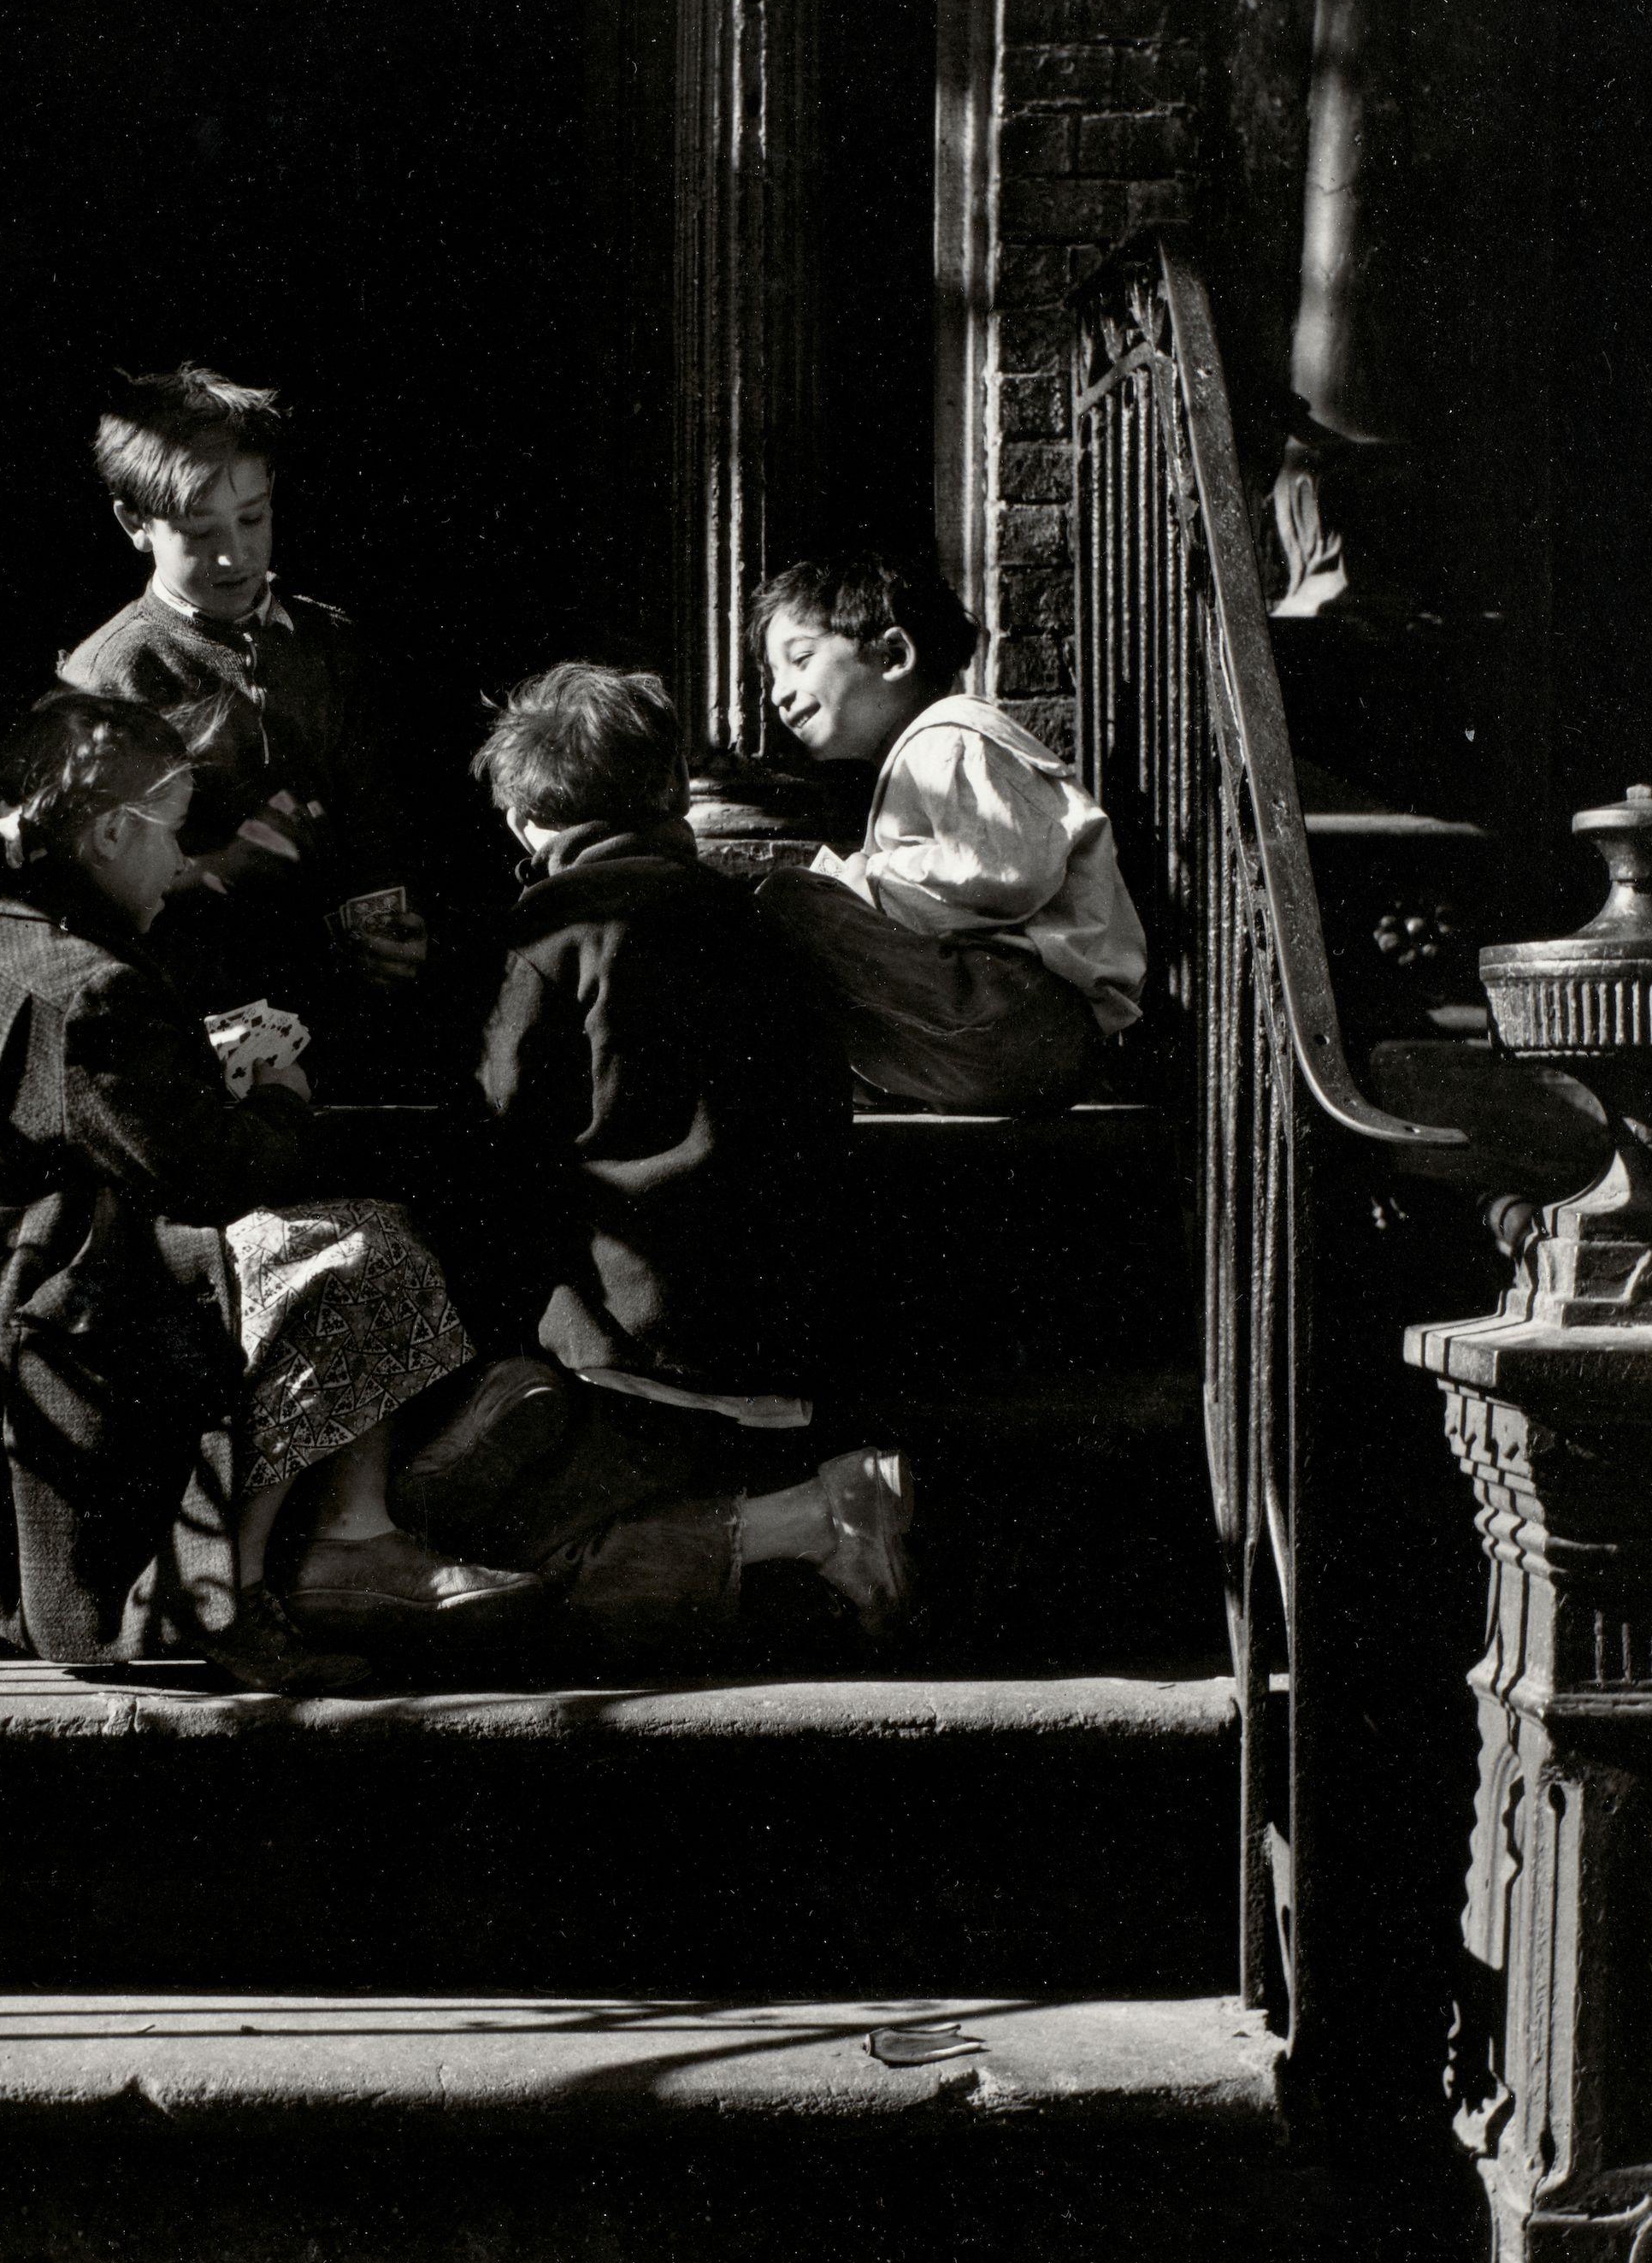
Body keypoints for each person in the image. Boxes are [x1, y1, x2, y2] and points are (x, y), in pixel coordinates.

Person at [0, 691, 538, 1694]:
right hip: (43, 1345)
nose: (185, 866)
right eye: (174, 838)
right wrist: (278, 1099)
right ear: (106, 834)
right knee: (369, 1250)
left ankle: (331, 1544)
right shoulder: (90, 990)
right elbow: (213, 1179)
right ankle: (234, 1584)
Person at [407, 662, 917, 1661]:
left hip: (630, 1346)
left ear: (521, 818)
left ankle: (809, 1524)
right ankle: (811, 1517)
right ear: (673, 790)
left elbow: (495, 1141)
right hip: (784, 1333)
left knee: (485, 1553)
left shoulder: (552, 934)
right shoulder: (765, 924)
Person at [56, 364, 439, 1045]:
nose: (234, 557)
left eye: (253, 518)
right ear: (134, 523)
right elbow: (88, 897)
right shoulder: (109, 676)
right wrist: (225, 869)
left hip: (355, 1020)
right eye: (199, 532)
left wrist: (399, 926)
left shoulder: (333, 643)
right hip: (200, 1028)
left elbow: (380, 813)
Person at [750, 552, 1147, 1112]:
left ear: (893, 655)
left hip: (1026, 1014)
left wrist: (871, 879)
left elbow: (1004, 871)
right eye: (773, 674)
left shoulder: (951, 734)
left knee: (790, 902)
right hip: (1004, 1033)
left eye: (801, 659)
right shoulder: (918, 754)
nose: (778, 694)